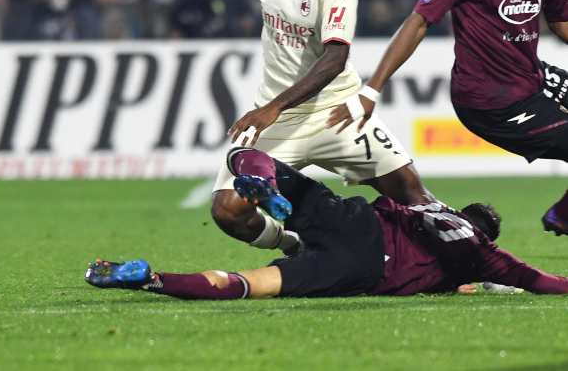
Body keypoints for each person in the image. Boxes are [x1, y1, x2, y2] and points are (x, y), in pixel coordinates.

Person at [327, 0, 568, 235]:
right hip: (488, 101)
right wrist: (371, 89)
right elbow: (418, 22)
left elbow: (560, 20)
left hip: (531, 78)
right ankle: (564, 215)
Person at [211, 0, 431, 257]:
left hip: (336, 113)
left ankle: (469, 263)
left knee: (412, 193)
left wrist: (272, 107)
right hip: (279, 121)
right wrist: (274, 110)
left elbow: (334, 57)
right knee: (227, 211)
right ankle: (296, 247)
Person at [86, 147, 568, 299]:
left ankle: (266, 182)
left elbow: (386, 186)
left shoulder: (427, 206)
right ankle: (152, 279)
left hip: (357, 222)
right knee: (251, 285)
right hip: (362, 268)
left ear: (460, 212)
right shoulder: (480, 260)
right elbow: (535, 280)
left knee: (247, 157)